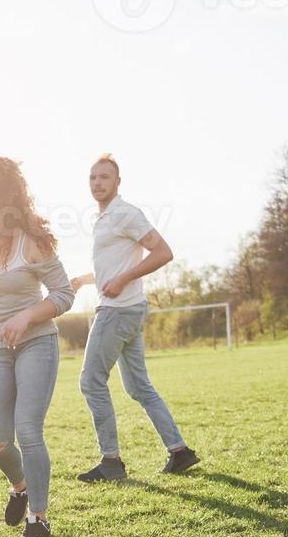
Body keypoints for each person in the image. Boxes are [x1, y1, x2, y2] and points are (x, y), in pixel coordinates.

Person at [0, 156, 75, 537]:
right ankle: (20, 486)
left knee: (28, 429)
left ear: (6, 195)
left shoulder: (32, 241)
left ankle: (38, 518)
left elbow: (63, 294)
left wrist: (26, 316)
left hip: (37, 343)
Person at [70, 155, 198, 482]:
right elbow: (111, 269)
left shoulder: (126, 213)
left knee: (91, 380)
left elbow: (163, 252)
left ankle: (110, 462)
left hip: (117, 312)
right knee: (139, 386)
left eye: (104, 177)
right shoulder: (104, 218)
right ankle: (180, 451)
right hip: (128, 309)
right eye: (93, 177)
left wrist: (123, 279)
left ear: (117, 182)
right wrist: (86, 280)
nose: (97, 182)